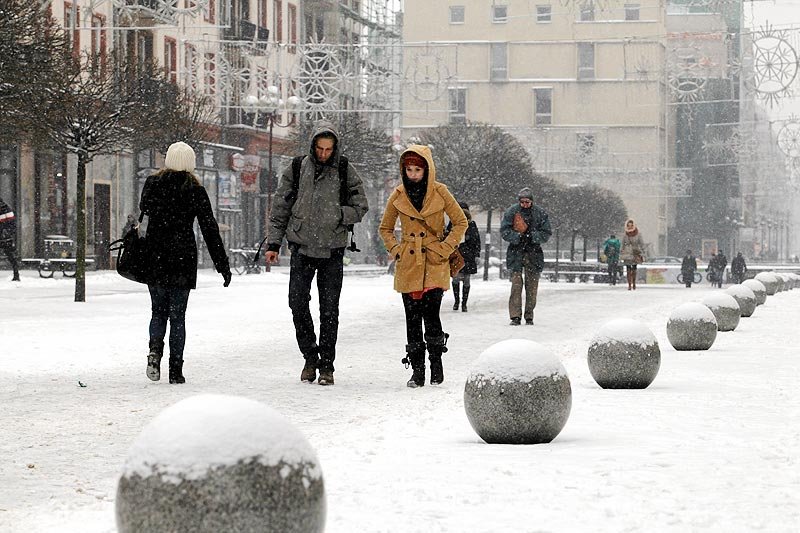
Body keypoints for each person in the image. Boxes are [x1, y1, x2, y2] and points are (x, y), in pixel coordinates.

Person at [265, 121, 369, 386]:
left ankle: (327, 365)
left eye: (328, 149)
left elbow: (361, 205)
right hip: (301, 247)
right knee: (297, 303)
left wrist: (338, 215)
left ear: (335, 148)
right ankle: (310, 355)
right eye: (320, 149)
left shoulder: (345, 169)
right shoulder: (298, 168)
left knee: (329, 310)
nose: (324, 153)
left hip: (332, 250)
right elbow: (280, 207)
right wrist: (273, 244)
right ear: (313, 146)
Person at [139, 141, 232, 384]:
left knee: (157, 312)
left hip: (156, 257)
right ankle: (175, 369)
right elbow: (209, 229)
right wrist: (222, 264)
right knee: (178, 316)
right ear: (191, 163)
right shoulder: (195, 190)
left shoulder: (152, 185)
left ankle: (154, 351)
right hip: (182, 258)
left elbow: (144, 209)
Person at [380, 145, 467, 387]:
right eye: (409, 169)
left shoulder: (440, 192)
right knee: (411, 318)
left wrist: (445, 248)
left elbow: (460, 222)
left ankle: (436, 364)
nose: (413, 174)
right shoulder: (398, 195)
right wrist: (396, 250)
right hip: (409, 262)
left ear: (427, 169)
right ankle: (417, 371)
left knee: (431, 314)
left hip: (434, 260)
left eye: (418, 169)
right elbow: (385, 228)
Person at [500, 187, 552, 325]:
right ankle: (515, 316)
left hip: (533, 253)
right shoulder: (512, 212)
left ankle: (529, 315)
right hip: (516, 253)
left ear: (532, 201)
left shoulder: (540, 213)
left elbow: (546, 233)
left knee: (532, 286)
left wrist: (531, 237)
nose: (524, 204)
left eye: (527, 202)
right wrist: (518, 237)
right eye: (522, 202)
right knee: (516, 286)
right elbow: (504, 231)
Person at [448, 201, 481, 312]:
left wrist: (476, 255)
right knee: (456, 279)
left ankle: (464, 303)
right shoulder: (453, 223)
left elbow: (476, 241)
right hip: (456, 255)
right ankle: (457, 301)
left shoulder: (472, 224)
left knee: (466, 280)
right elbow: (447, 237)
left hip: (468, 256)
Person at [620, 218, 646, 290]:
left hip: (635, 253)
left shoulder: (638, 234)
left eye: (631, 225)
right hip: (627, 254)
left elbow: (642, 244)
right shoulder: (625, 235)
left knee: (634, 269)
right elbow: (622, 244)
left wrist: (643, 252)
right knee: (628, 269)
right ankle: (629, 284)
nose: (630, 227)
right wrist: (621, 252)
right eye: (628, 225)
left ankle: (634, 283)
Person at [0, 197, 20, 282]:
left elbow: (11, 224)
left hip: (4, 237)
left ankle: (16, 274)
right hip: (5, 237)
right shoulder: (6, 208)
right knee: (10, 256)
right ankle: (16, 274)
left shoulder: (5, 209)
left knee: (10, 255)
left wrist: (7, 233)